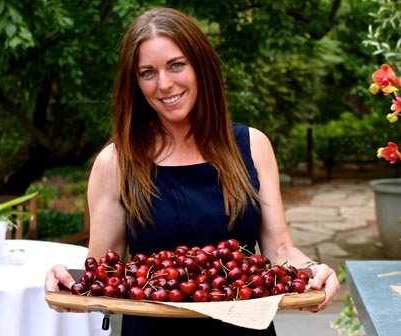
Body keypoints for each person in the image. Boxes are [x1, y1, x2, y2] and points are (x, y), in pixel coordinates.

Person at [45, 7, 340, 336]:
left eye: (176, 65)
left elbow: (279, 249)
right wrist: (67, 282)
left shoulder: (253, 146)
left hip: (244, 328)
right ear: (135, 83)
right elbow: (102, 269)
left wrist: (313, 272)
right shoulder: (115, 162)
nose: (165, 84)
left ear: (202, 66)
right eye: (147, 72)